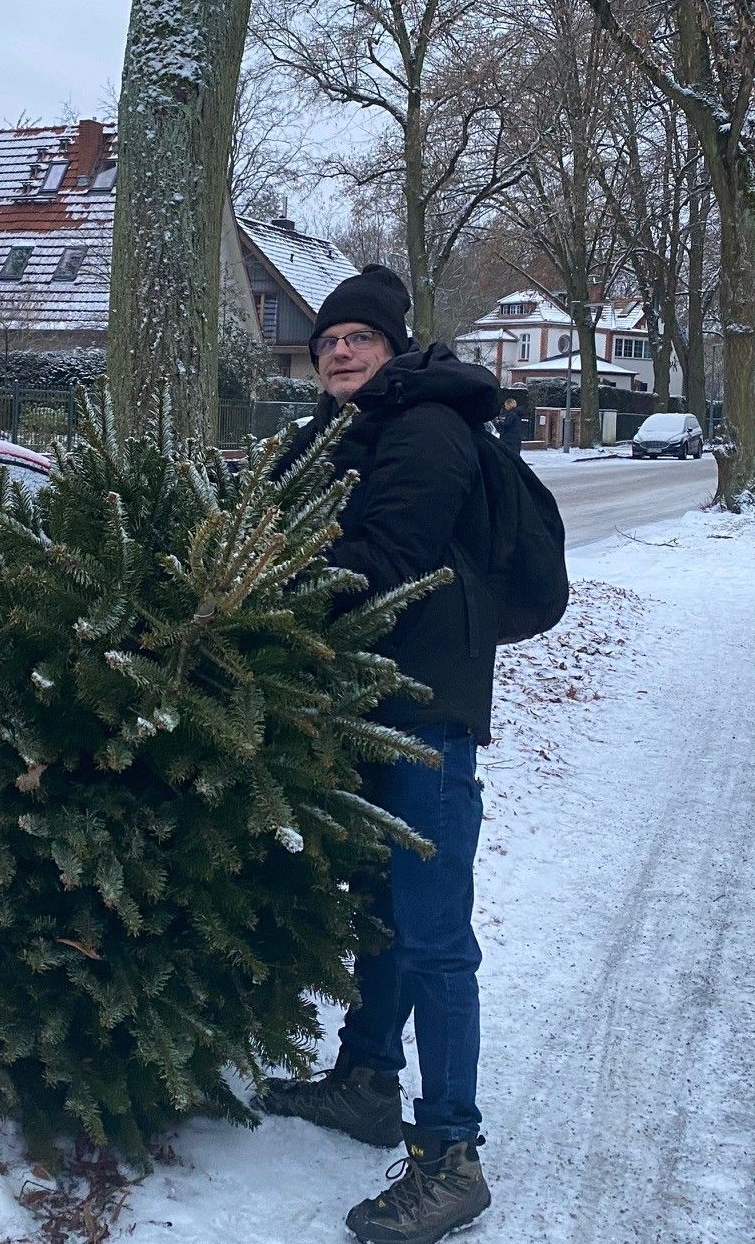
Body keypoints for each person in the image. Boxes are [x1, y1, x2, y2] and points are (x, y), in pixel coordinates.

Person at [259, 264, 499, 1244]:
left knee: (435, 930)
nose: (340, 352)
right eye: (326, 343)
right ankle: (366, 1079)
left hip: (425, 709)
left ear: (393, 347)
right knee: (380, 902)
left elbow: (389, 564)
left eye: (358, 338)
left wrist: (269, 570)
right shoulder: (332, 432)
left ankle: (451, 1155)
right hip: (356, 702)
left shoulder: (429, 429)